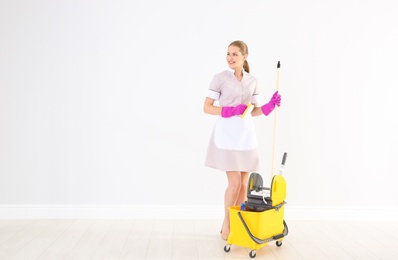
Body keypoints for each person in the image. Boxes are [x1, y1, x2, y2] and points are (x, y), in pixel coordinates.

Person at [203, 40, 281, 240]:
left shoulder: (252, 81)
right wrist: (229, 110)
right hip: (227, 134)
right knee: (235, 183)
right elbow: (207, 107)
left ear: (244, 57)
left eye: (235, 54)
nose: (230, 58)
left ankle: (240, 224)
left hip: (245, 135)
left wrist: (269, 107)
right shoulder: (219, 78)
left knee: (245, 185)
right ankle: (227, 224)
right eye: (228, 53)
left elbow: (253, 111)